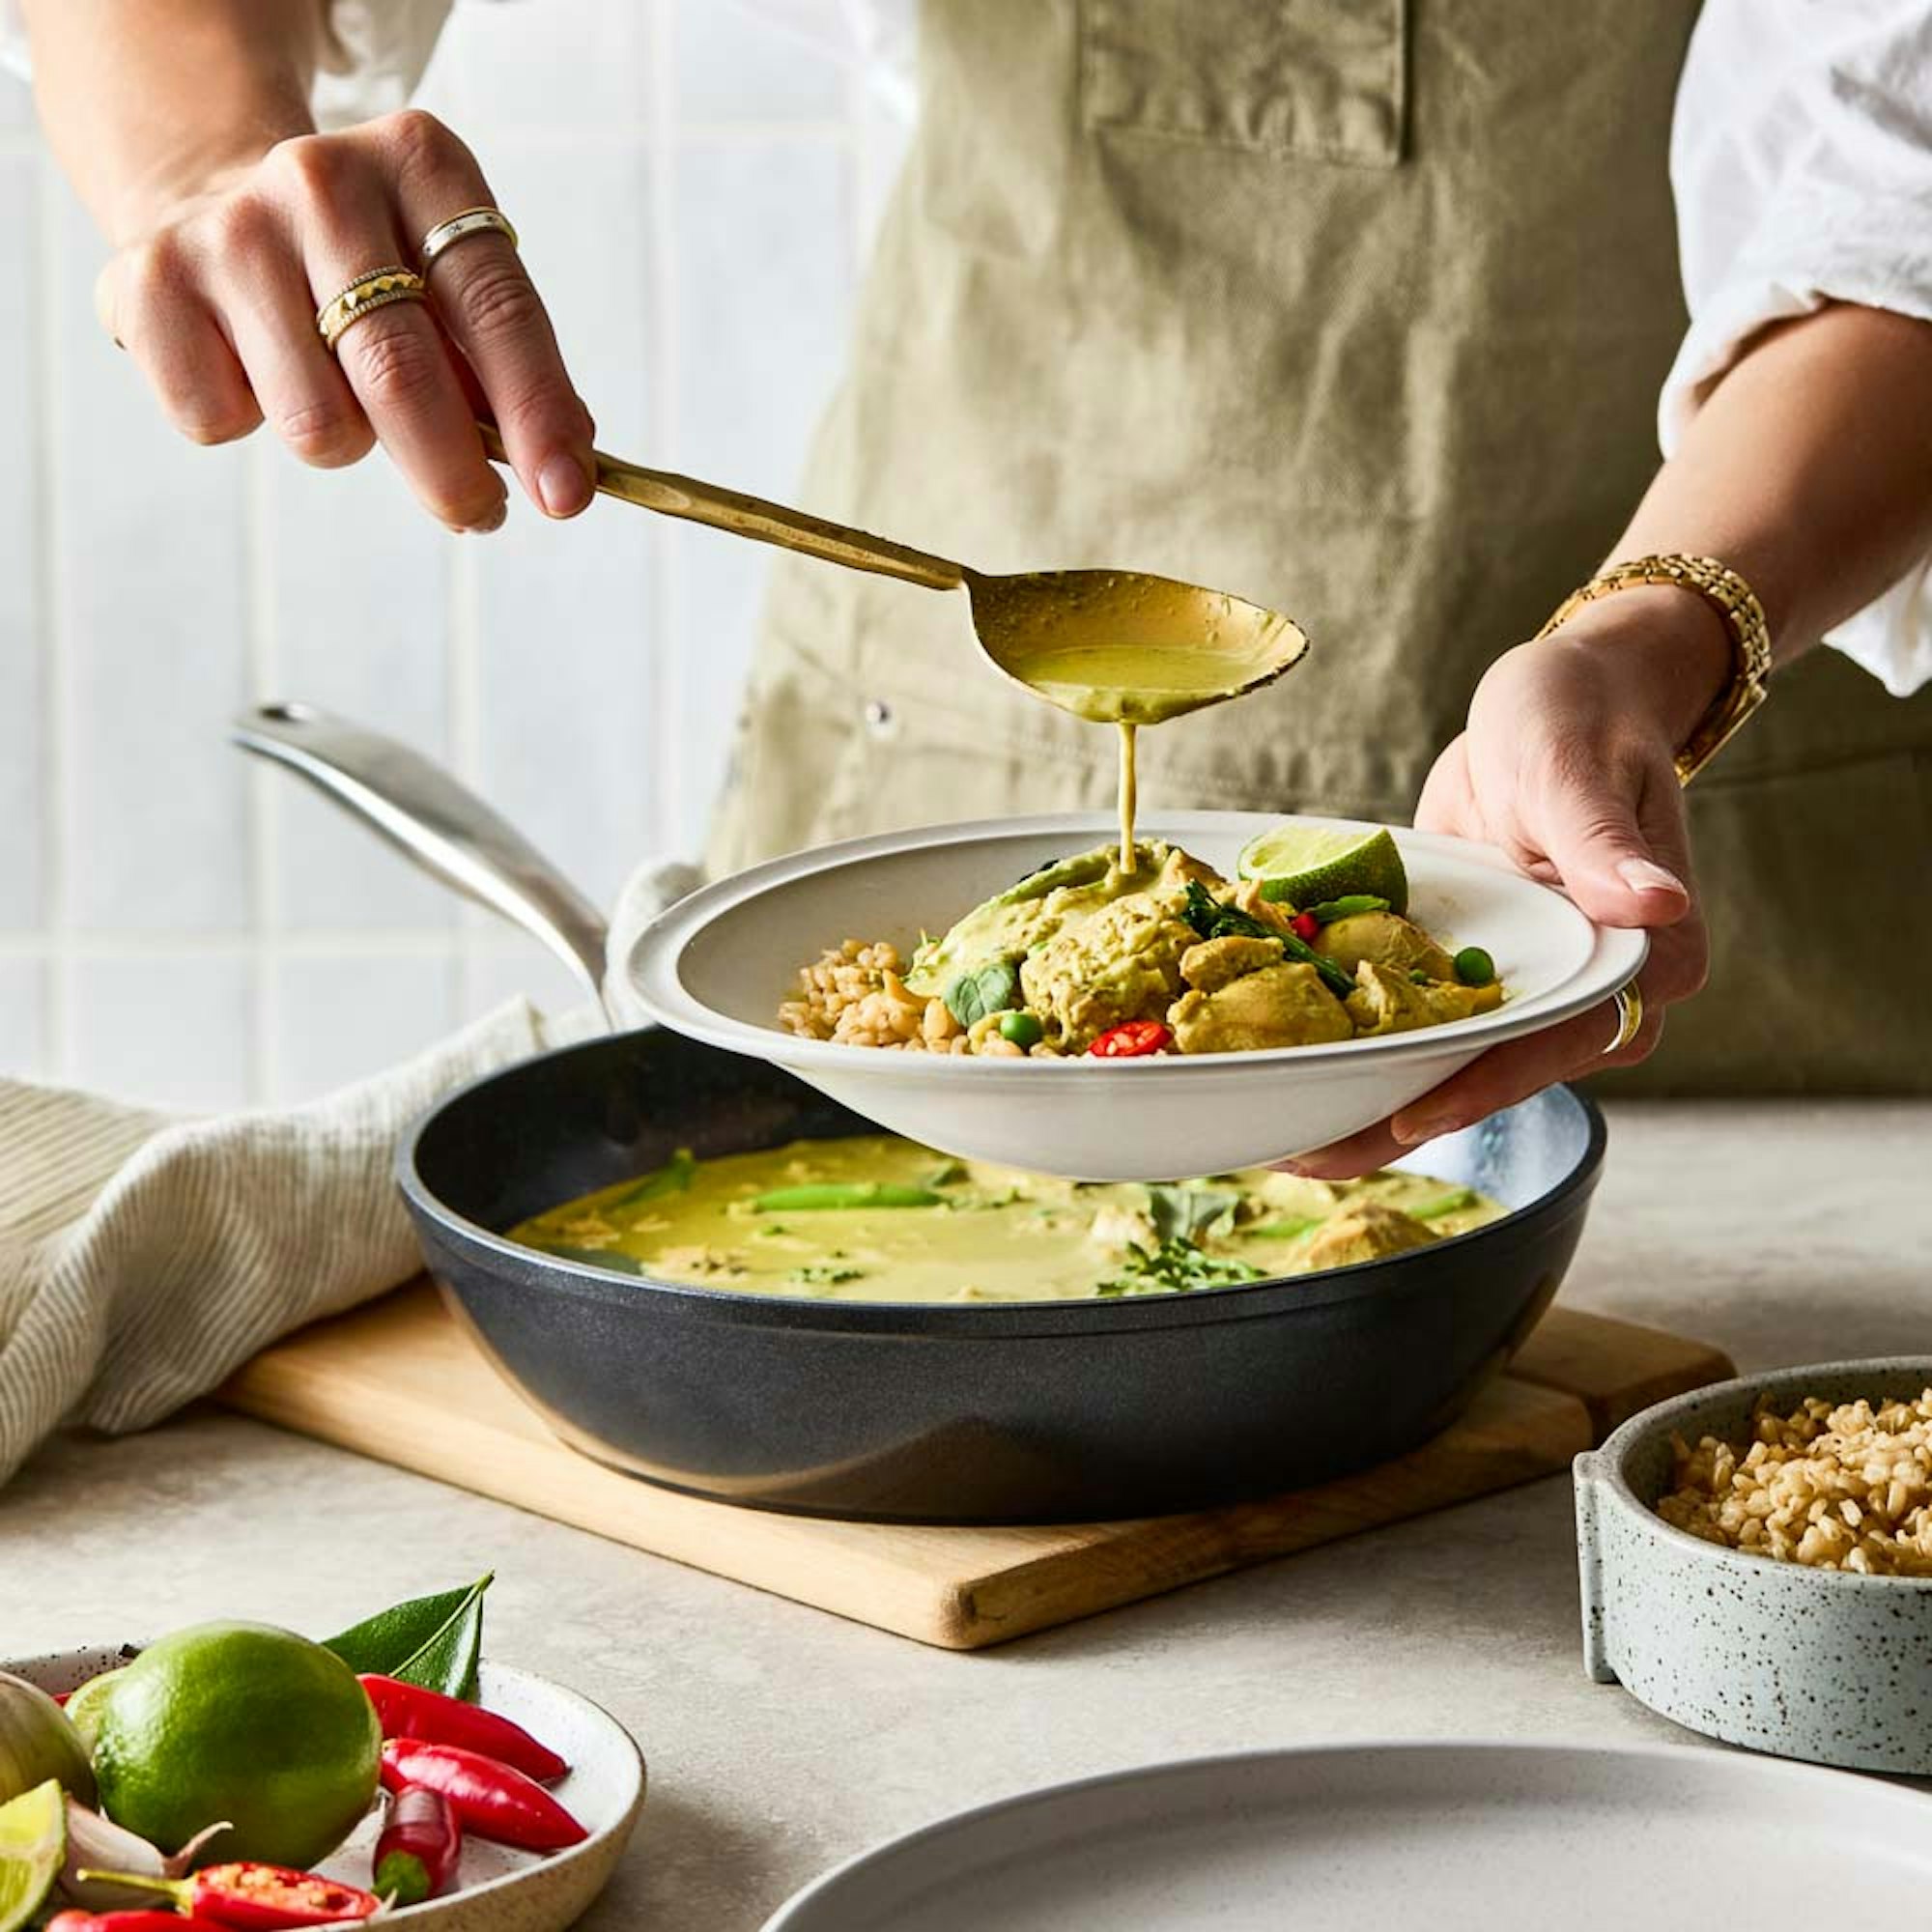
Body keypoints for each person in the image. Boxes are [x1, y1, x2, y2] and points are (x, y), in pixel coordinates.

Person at [15, 1, 1932, 1174]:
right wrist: (203, 156)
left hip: (1742, 906)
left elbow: (1896, 175)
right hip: (926, 739)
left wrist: (1653, 624)